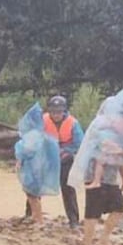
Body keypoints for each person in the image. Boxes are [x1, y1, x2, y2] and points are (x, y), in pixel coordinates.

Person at [25, 95, 84, 227]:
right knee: (35, 185)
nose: (56, 115)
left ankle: (74, 220)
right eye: (53, 111)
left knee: (68, 188)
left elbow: (79, 143)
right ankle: (30, 214)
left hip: (65, 158)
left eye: (59, 111)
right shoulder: (42, 120)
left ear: (64, 111)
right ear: (49, 111)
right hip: (45, 157)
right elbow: (33, 136)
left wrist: (65, 151)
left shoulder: (73, 123)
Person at [82, 154, 123, 245]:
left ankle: (104, 240)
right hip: (94, 179)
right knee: (92, 214)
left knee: (119, 209)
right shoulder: (98, 140)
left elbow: (121, 163)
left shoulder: (121, 142)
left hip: (112, 181)